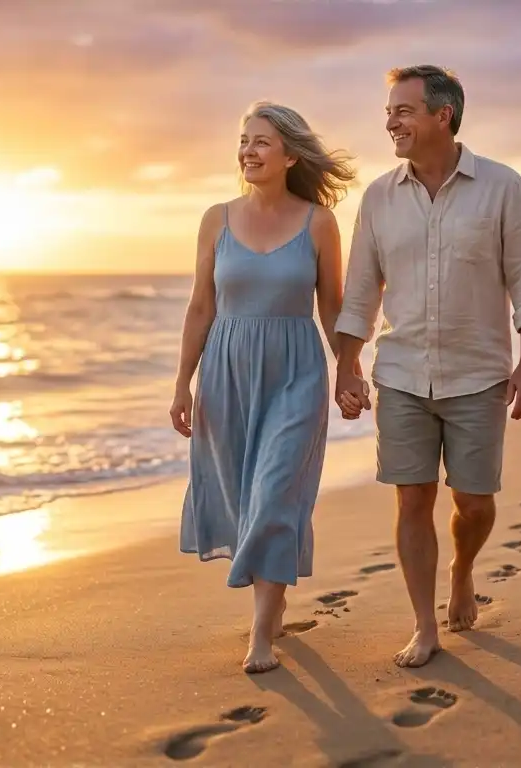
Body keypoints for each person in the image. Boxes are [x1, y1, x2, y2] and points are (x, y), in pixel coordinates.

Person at [332, 65, 521, 668]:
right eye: (388, 112)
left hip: (479, 374)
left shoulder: (503, 187)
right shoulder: (378, 197)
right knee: (411, 500)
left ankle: (463, 570)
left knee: (474, 503)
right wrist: (347, 366)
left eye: (402, 111)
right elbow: (360, 294)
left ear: (442, 116)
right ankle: (424, 624)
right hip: (400, 372)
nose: (390, 122)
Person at [171, 101, 358, 674]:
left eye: (260, 143)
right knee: (241, 495)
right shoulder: (215, 218)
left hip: (296, 370)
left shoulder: (319, 223)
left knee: (276, 491)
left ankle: (259, 634)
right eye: (244, 141)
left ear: (290, 156)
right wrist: (182, 382)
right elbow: (202, 306)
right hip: (226, 372)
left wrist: (348, 370)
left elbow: (333, 308)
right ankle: (271, 603)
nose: (247, 152)